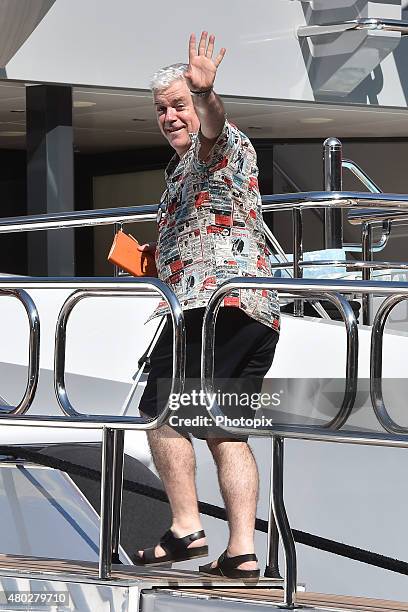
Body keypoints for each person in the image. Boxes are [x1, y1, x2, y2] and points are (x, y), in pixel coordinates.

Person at [134, 32, 280, 580]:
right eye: (163, 109)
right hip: (247, 307)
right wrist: (159, 256)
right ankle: (242, 551)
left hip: (214, 306)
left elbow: (215, 125)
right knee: (224, 427)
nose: (172, 116)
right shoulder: (178, 172)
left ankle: (186, 528)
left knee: (159, 409)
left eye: (179, 105)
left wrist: (207, 93)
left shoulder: (222, 144)